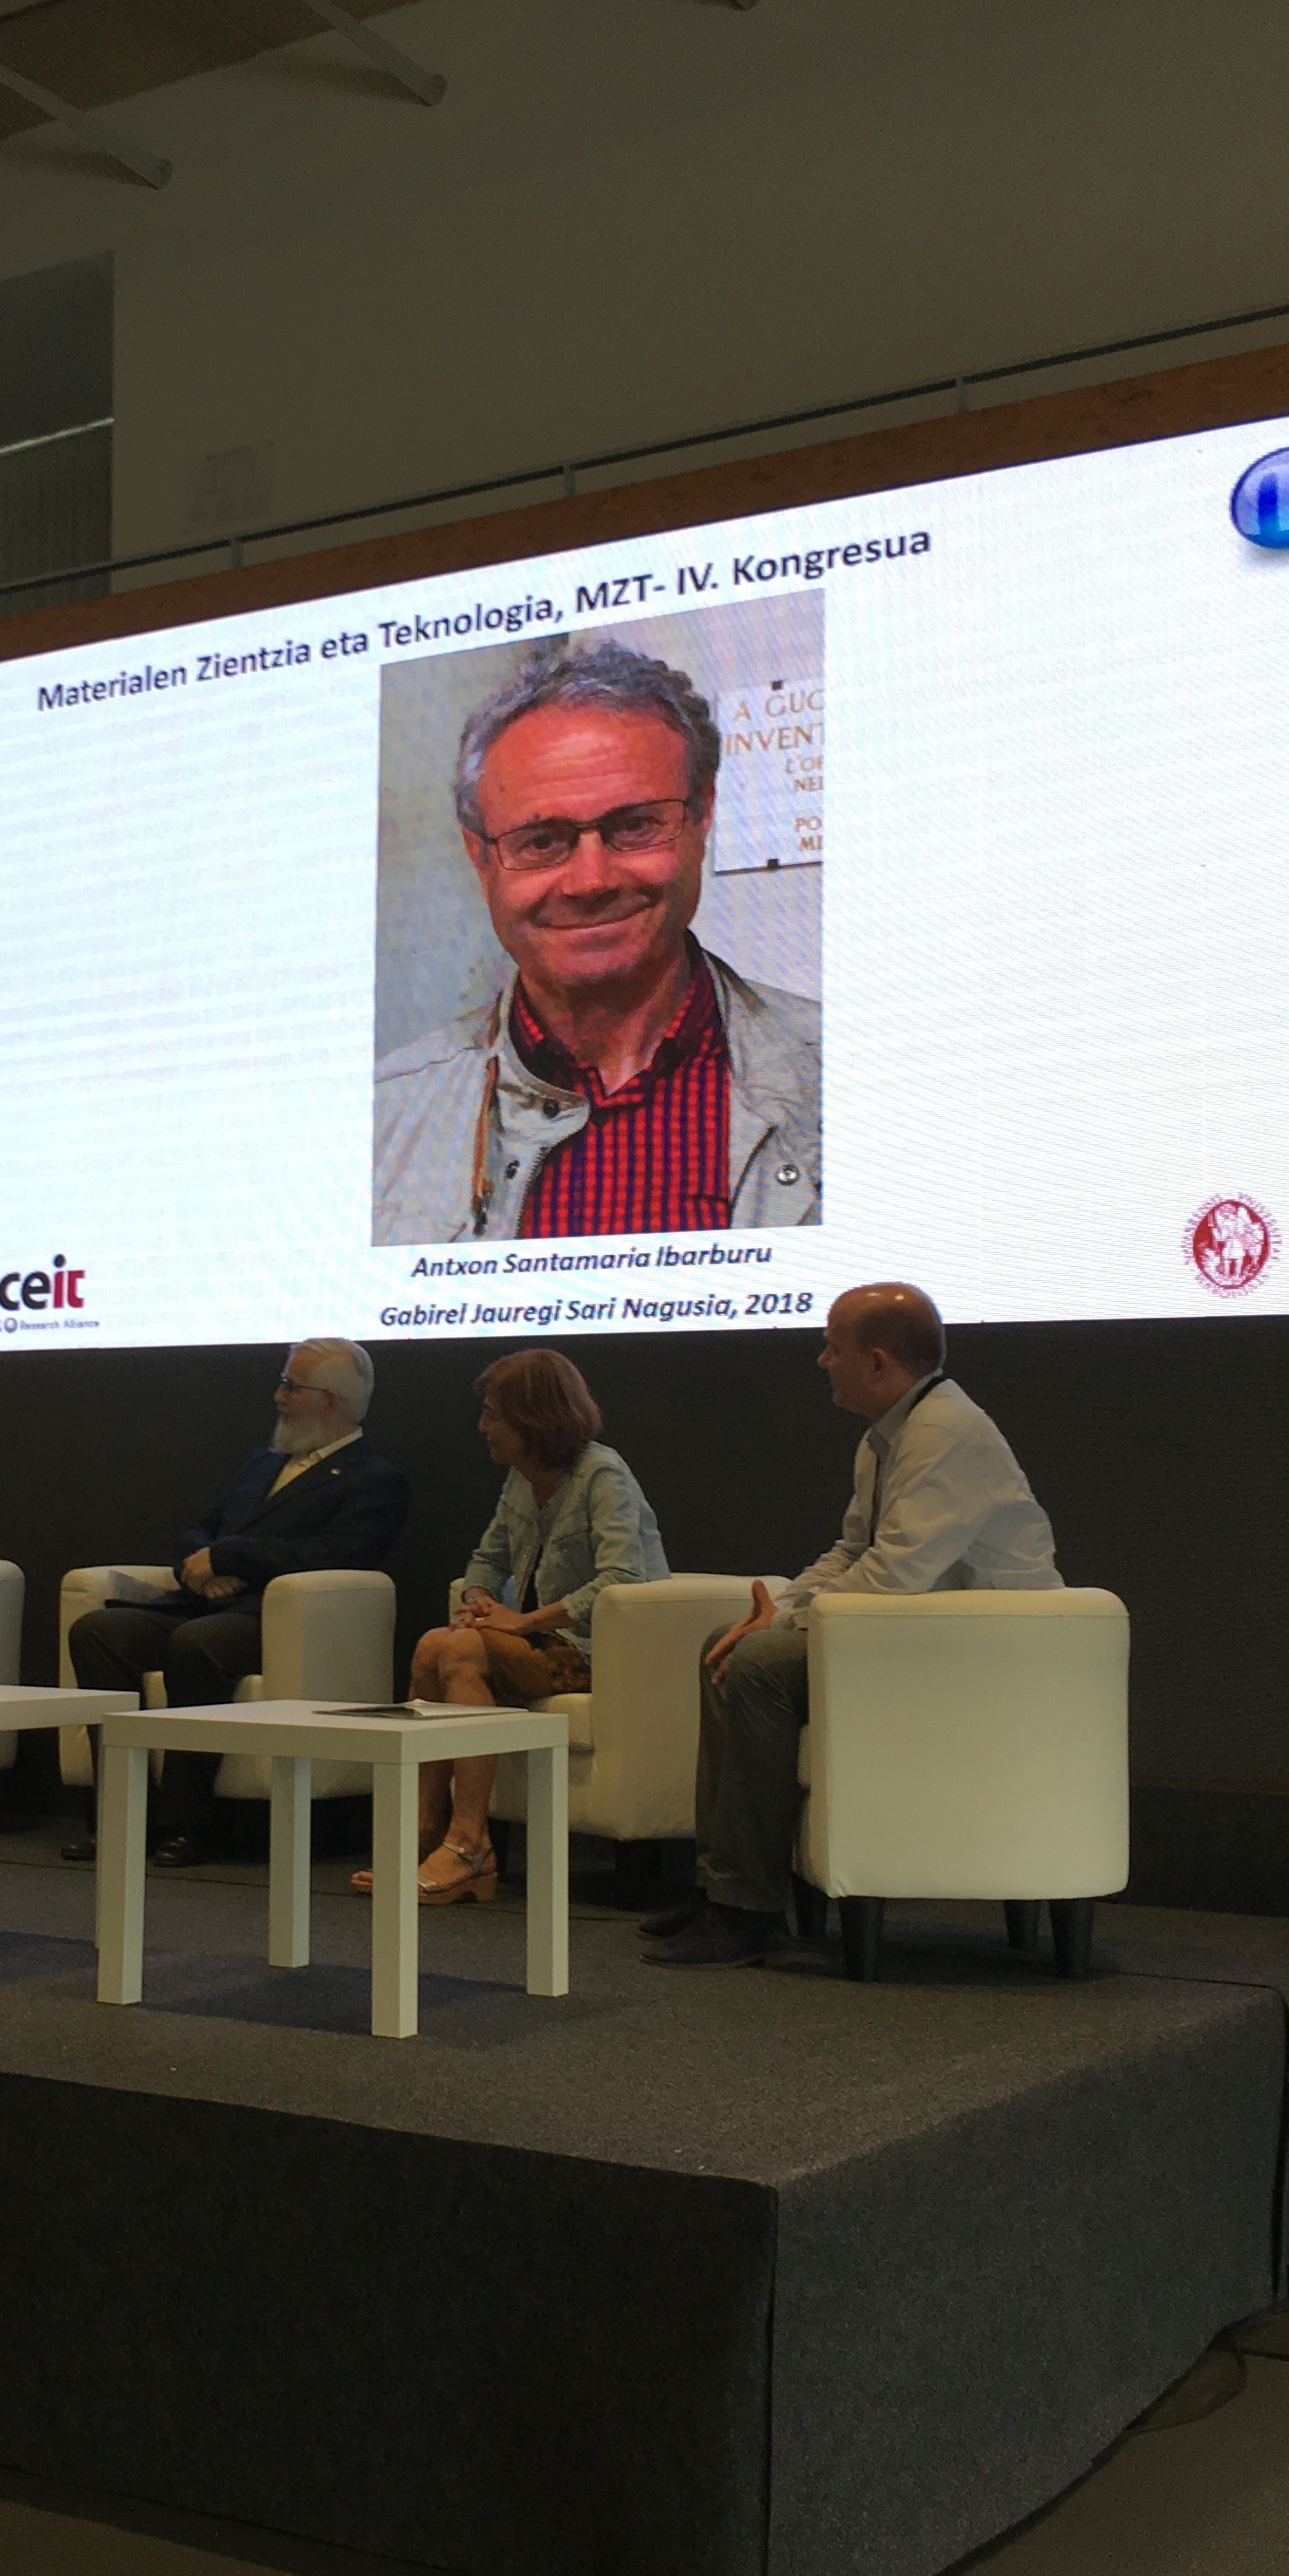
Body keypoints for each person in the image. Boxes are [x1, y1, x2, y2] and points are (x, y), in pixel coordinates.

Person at [644, 1283, 1061, 1968]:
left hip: (985, 1657)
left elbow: (895, 1574)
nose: (821, 1361)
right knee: (726, 1646)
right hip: (919, 1639)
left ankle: (748, 1913)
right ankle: (723, 1888)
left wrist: (785, 1621)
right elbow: (852, 1552)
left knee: (758, 1664)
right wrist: (780, 1607)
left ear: (876, 1362)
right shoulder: (888, 1436)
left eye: (831, 1348)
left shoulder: (943, 1432)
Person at [375, 638, 823, 1245]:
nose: (591, 881)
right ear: (479, 857)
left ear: (703, 817)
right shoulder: (380, 1115)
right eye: (542, 841)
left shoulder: (859, 1080)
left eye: (635, 826)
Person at [62, 1339, 409, 1866]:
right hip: (204, 1604)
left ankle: (187, 1825)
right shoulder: (260, 1463)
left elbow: (333, 1555)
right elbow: (199, 1528)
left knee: (197, 1644)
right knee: (99, 1632)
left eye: (291, 1387)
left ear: (329, 1401)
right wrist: (199, 1567)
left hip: (275, 1621)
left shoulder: (375, 1479)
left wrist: (229, 1557)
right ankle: (121, 1815)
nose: (278, 1397)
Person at [353, 1348, 669, 1905]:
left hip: (598, 1652)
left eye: (493, 1415)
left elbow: (622, 1579)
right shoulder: (521, 1480)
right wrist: (478, 1600)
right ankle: (430, 1835)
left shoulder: (603, 1474)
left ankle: (467, 1843)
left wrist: (523, 1622)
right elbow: (486, 1561)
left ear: (534, 1419)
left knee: (455, 1651)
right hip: (538, 1645)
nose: (483, 1427)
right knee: (435, 1646)